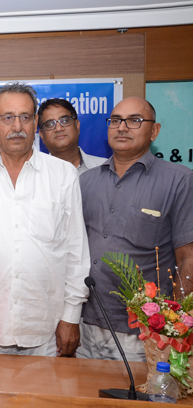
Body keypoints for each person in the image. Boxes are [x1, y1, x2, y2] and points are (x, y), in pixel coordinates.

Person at [0, 82, 90, 357]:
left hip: (46, 329)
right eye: (7, 117)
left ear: (35, 123)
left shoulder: (63, 175)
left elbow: (77, 251)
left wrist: (71, 317)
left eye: (25, 117)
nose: (17, 126)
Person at [77, 96, 193, 362]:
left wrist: (175, 325)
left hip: (143, 333)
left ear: (154, 130)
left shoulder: (179, 180)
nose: (122, 127)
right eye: (115, 120)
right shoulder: (86, 181)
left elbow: (187, 258)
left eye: (134, 120)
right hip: (85, 325)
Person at [38, 98, 105, 174]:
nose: (59, 128)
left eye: (65, 121)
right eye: (50, 124)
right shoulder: (34, 175)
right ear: (42, 135)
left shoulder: (105, 169)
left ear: (77, 125)